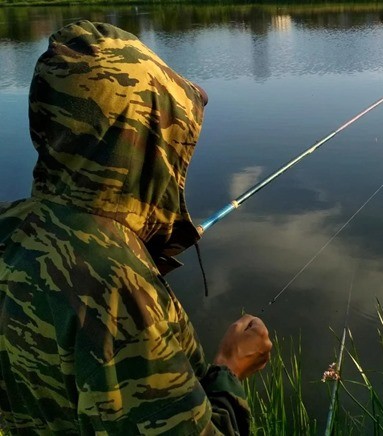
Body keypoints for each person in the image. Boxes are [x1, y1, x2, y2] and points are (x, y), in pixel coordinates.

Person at [0, 20, 271, 434]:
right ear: (144, 138)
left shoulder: (10, 227)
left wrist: (138, 244)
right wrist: (229, 370)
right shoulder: (114, 283)